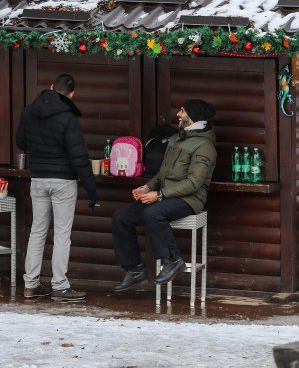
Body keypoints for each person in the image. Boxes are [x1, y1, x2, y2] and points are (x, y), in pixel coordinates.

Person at [111, 99, 217, 291]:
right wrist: (146, 187)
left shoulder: (204, 146)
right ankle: (134, 270)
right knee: (121, 218)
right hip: (166, 195)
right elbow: (163, 173)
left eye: (182, 111)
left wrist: (159, 195)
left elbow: (194, 183)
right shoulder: (177, 138)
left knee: (153, 213)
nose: (178, 114)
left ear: (192, 116)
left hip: (189, 199)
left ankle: (173, 260)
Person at [16, 73, 96, 302]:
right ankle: (60, 286)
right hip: (63, 181)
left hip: (38, 178)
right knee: (62, 234)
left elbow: (21, 142)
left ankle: (31, 285)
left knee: (37, 231)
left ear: (51, 87)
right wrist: (91, 188)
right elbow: (79, 156)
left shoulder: (29, 111)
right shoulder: (68, 117)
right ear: (71, 95)